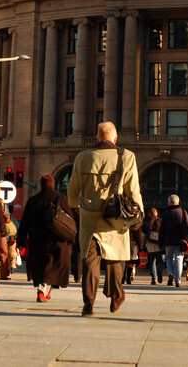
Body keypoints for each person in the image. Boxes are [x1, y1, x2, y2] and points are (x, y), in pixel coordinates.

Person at [67, 121, 143, 317]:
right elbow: (133, 189)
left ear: (97, 138)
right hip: (115, 216)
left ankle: (88, 302)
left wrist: (75, 207)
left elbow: (73, 189)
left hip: (89, 216)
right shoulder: (127, 156)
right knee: (114, 257)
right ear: (115, 139)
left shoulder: (82, 157)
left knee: (90, 260)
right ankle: (115, 295)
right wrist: (139, 213)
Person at [16, 174, 74, 302]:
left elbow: (24, 223)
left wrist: (21, 240)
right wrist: (72, 238)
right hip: (57, 241)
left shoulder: (32, 200)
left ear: (41, 185)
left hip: (37, 242)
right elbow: (70, 220)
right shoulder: (61, 198)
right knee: (52, 268)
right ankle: (42, 291)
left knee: (42, 267)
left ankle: (46, 291)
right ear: (53, 184)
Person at [160, 194, 188, 287]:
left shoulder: (165, 213)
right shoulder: (182, 212)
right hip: (180, 241)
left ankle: (170, 274)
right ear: (178, 202)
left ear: (169, 203)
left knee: (169, 258)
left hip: (168, 240)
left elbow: (162, 229)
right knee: (179, 259)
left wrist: (161, 241)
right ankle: (178, 281)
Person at [141, 208, 164, 285]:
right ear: (156, 213)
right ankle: (160, 270)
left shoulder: (146, 222)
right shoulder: (160, 221)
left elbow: (143, 233)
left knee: (152, 261)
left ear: (149, 214)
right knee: (160, 260)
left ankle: (154, 278)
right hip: (158, 243)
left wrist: (142, 244)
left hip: (150, 243)